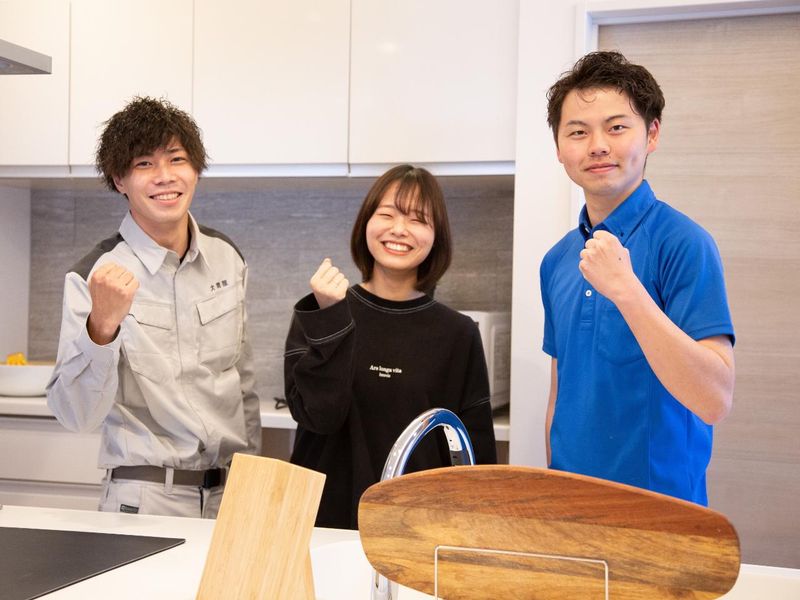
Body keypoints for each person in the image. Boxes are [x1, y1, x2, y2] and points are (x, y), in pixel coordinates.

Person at [46, 97, 261, 518]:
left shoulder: (227, 257)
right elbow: (75, 416)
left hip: (230, 496)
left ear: (195, 169)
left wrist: (253, 486)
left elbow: (243, 383)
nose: (165, 176)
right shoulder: (92, 275)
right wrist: (101, 327)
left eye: (177, 159)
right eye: (144, 164)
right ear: (119, 180)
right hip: (145, 499)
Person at [540, 51, 735, 506]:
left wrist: (627, 291)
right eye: (578, 131)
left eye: (616, 127)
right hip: (571, 504)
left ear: (652, 134)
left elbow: (714, 400)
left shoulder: (685, 243)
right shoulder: (556, 260)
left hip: (661, 510)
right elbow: (560, 393)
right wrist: (552, 492)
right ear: (559, 149)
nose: (597, 146)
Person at [284, 164, 497, 529]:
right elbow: (319, 416)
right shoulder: (322, 310)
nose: (399, 229)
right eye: (387, 214)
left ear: (436, 236)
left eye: (418, 219)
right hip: (321, 524)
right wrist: (331, 318)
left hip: (417, 528)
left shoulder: (457, 333)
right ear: (365, 223)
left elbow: (473, 454)